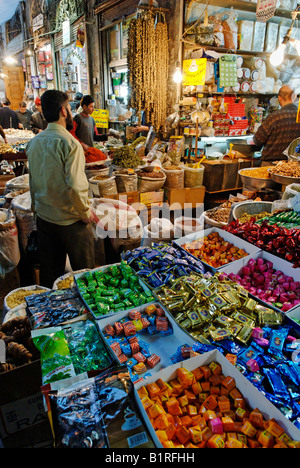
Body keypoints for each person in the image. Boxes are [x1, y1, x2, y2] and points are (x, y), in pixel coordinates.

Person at [26, 90, 96, 288]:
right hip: (70, 221)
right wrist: (85, 212)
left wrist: (35, 210)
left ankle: (54, 312)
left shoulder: (34, 143)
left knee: (51, 277)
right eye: (68, 107)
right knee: (85, 277)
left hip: (45, 219)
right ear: (63, 111)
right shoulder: (70, 143)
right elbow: (75, 185)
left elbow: (32, 182)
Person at [252, 85, 300, 166]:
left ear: (279, 98)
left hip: (271, 166)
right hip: (294, 166)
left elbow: (257, 140)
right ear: (294, 97)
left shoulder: (274, 117)